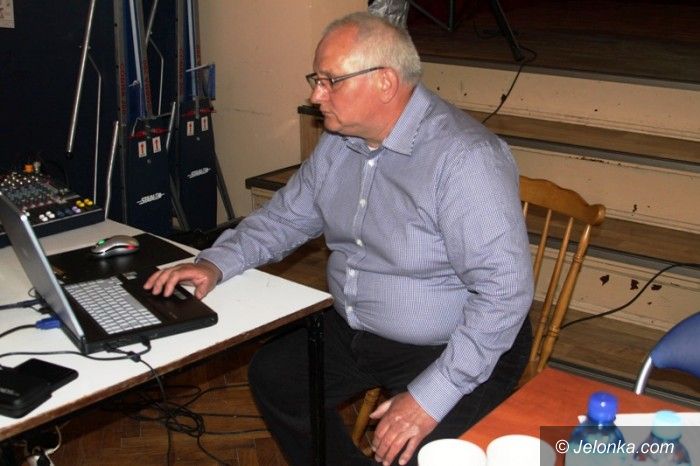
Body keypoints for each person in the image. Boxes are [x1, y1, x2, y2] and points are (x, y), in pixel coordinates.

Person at [144, 11, 534, 466]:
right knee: (276, 377)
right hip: (357, 327)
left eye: (330, 81)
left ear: (385, 82)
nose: (315, 96)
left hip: (455, 343)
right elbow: (286, 218)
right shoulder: (340, 142)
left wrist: (429, 398)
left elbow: (504, 294)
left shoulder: (465, 159)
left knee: (420, 454)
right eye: (316, 80)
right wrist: (215, 262)